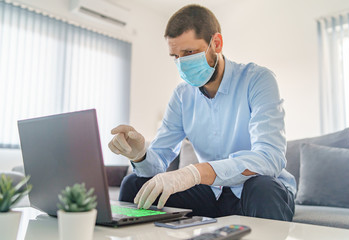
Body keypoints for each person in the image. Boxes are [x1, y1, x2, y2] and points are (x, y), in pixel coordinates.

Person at [108, 4, 296, 221]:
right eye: (175, 56)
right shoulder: (181, 96)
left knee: (262, 187)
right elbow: (158, 160)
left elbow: (269, 158)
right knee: (134, 184)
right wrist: (139, 154)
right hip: (211, 194)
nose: (182, 64)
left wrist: (195, 173)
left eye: (189, 52)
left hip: (254, 192)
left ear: (216, 43)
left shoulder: (257, 80)